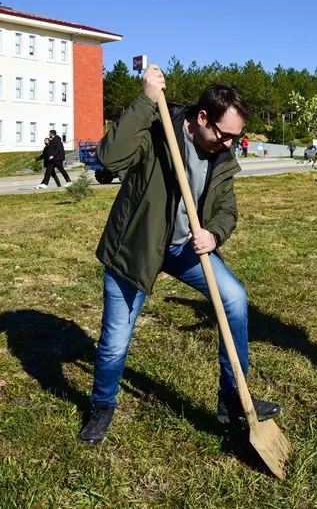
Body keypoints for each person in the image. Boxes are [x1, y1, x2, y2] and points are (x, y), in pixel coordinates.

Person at [79, 66, 281, 445]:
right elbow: (108, 158)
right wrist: (144, 100)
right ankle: (102, 404)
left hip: (186, 248)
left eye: (236, 138)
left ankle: (233, 398)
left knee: (234, 299)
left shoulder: (222, 156)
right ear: (201, 118)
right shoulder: (158, 131)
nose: (229, 144)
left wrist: (214, 234)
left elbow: (227, 211)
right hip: (137, 247)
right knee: (115, 338)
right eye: (224, 135)